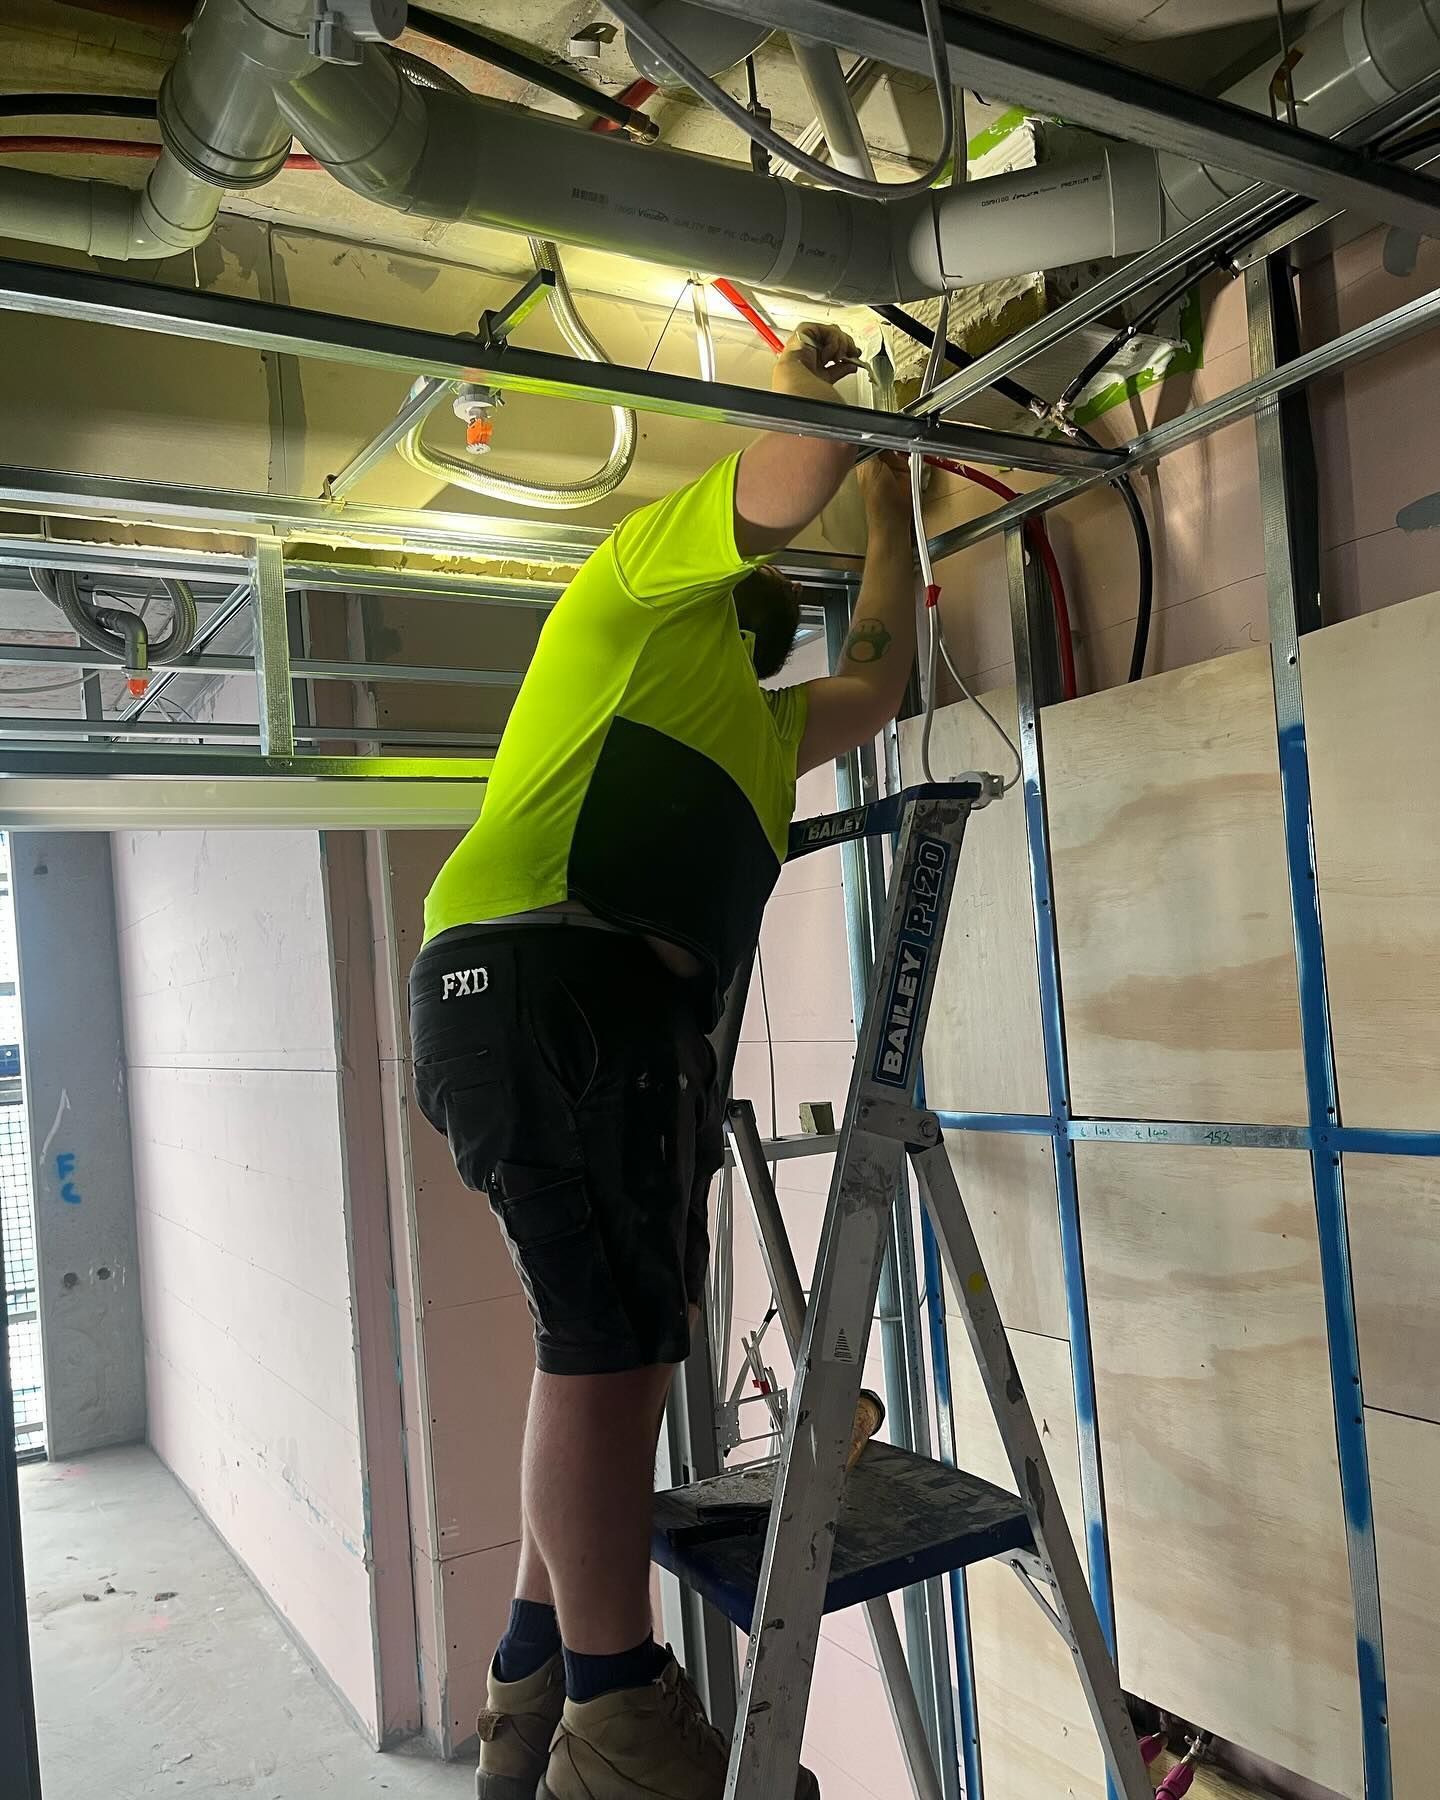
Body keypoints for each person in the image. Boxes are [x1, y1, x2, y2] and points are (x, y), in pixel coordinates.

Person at [408, 321, 919, 1800]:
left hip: (583, 1010)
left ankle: (533, 1680)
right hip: (551, 980)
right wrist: (827, 379)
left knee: (601, 1348)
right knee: (606, 1348)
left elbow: (880, 674)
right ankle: (619, 1717)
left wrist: (890, 505)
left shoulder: (760, 734)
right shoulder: (632, 592)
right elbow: (789, 463)